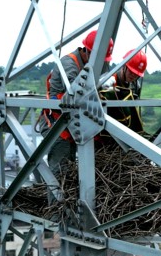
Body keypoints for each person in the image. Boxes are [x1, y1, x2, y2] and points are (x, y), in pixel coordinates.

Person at [41, 29, 114, 175]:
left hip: (74, 124)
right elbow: (76, 92)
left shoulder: (91, 64)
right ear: (87, 51)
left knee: (71, 174)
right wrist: (100, 83)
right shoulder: (69, 63)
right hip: (58, 126)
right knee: (60, 174)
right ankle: (57, 198)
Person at [98, 49, 148, 142]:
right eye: (131, 71)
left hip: (124, 127)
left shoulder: (135, 86)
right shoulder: (107, 80)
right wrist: (99, 88)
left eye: (136, 74)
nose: (133, 76)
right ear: (124, 66)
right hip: (105, 131)